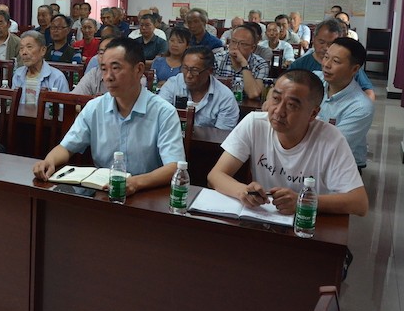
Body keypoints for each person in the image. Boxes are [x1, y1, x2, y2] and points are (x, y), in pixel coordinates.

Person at [32, 37, 185, 196]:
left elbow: (174, 167)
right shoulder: (95, 107)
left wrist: (136, 183)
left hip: (146, 194)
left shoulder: (164, 112)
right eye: (104, 69)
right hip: (104, 192)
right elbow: (67, 147)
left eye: (116, 68)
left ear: (139, 69)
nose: (108, 77)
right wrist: (49, 161)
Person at [208, 70, 368, 217]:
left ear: (313, 113)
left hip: (308, 223)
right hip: (264, 217)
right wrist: (242, 191)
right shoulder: (254, 123)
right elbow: (215, 175)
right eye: (275, 99)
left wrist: (302, 201)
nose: (278, 111)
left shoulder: (331, 139)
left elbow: (359, 203)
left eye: (291, 105)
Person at [316, 38, 375, 169]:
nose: (326, 65)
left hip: (342, 165)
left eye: (336, 61)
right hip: (308, 154)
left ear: (354, 69)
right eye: (326, 57)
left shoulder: (361, 106)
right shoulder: (314, 80)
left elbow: (333, 147)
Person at [288, 18, 376, 100]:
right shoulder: (299, 65)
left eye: (331, 43)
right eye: (321, 42)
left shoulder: (348, 66)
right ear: (313, 39)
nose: (326, 48)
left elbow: (369, 92)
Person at [158, 46, 239, 130]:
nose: (188, 75)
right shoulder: (173, 84)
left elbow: (222, 134)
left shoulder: (225, 98)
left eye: (195, 70)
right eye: (185, 68)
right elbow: (159, 116)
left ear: (210, 71)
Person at [12, 31, 69, 112]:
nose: (24, 52)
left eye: (29, 47)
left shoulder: (57, 77)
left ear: (43, 50)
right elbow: (12, 104)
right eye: (21, 48)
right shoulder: (18, 74)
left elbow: (64, 110)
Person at [213, 25, 268, 99]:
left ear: (252, 48)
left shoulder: (260, 64)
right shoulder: (217, 59)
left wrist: (244, 64)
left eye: (243, 44)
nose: (236, 47)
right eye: (233, 41)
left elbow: (253, 94)